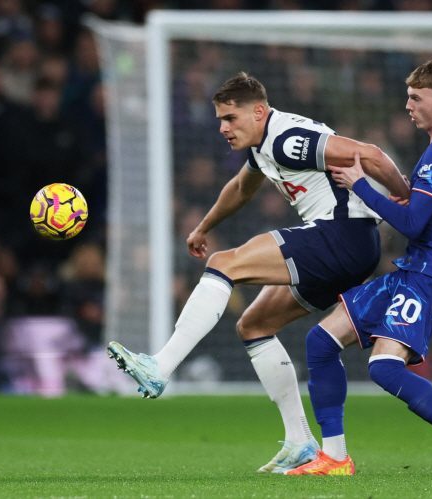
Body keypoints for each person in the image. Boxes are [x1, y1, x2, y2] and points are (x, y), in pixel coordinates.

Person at [107, 72, 410, 473]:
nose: (223, 127)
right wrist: (203, 227)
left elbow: (369, 154)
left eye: (230, 118)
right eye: (219, 119)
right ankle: (300, 442)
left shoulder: (287, 139)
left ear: (259, 111)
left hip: (344, 234)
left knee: (223, 264)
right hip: (349, 246)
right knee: (253, 324)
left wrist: (401, 191)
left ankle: (160, 367)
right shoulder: (263, 146)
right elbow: (239, 189)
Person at [287, 61, 432, 477]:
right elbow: (425, 215)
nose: (408, 105)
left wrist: (361, 184)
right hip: (418, 268)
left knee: (384, 367)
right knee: (321, 340)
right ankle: (334, 457)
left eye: (416, 98)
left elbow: (411, 225)